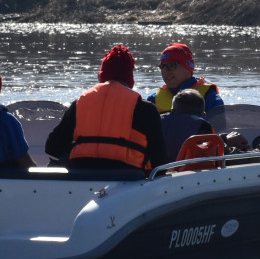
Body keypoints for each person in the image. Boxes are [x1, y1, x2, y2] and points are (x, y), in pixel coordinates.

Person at [45, 44, 168, 172]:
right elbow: (160, 161)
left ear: (101, 76)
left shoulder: (80, 103)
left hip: (83, 174)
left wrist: (80, 149)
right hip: (129, 176)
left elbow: (52, 147)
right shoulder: (146, 109)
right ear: (130, 79)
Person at [147, 42, 223, 114]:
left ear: (187, 67)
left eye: (171, 65)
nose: (165, 71)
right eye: (163, 66)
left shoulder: (210, 98)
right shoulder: (153, 101)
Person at [161, 88, 215, 161]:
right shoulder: (203, 126)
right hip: (189, 167)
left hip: (159, 167)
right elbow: (212, 152)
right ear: (204, 115)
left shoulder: (158, 121)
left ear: (172, 111)